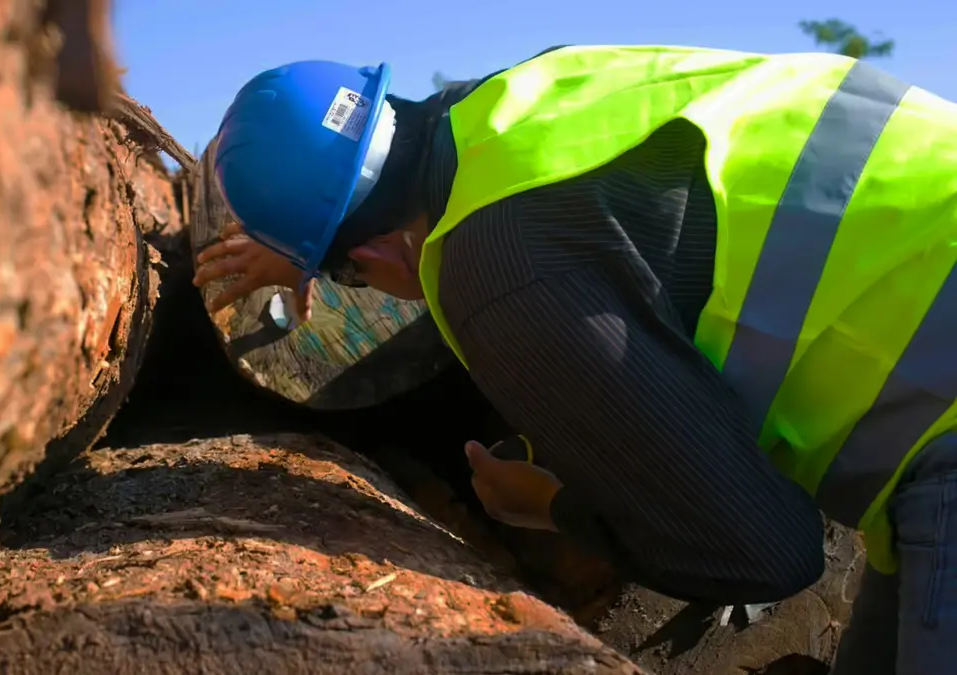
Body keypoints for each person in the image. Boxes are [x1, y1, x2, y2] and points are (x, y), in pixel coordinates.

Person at [193, 45, 957, 674]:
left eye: (350, 275)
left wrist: (554, 505)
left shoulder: (496, 272)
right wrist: (317, 242)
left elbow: (767, 550)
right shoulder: (516, 103)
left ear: (368, 250)